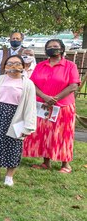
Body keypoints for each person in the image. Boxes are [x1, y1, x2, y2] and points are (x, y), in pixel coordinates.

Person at [23, 39, 80, 173]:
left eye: (55, 46)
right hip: (43, 106)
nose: (52, 48)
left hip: (63, 106)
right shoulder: (41, 65)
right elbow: (33, 84)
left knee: (63, 135)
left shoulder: (70, 66)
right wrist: (45, 97)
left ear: (62, 49)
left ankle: (65, 165)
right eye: (49, 47)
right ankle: (46, 162)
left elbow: (73, 85)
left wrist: (55, 99)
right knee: (45, 133)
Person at [0, 55, 37, 186]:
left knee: (14, 145)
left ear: (23, 66)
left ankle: (9, 176)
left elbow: (30, 106)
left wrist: (28, 125)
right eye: (10, 63)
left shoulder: (28, 84)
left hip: (17, 117)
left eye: (17, 63)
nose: (13, 66)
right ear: (5, 66)